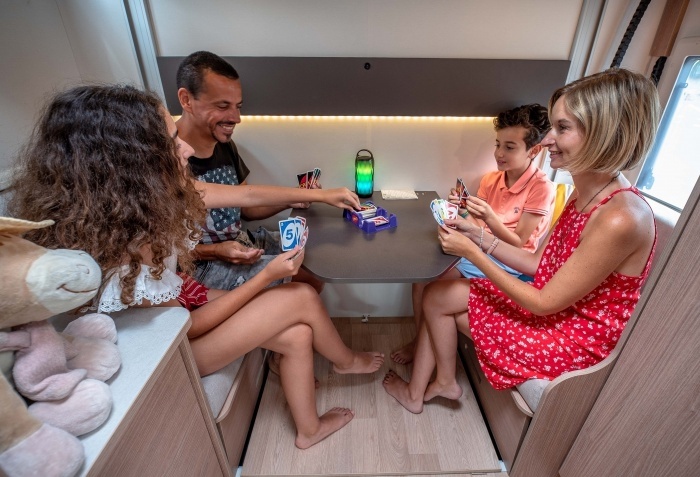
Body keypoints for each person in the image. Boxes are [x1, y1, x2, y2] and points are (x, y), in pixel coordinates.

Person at [9, 84, 385, 449]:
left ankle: (308, 431)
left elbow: (247, 195)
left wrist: (320, 195)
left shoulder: (142, 203)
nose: (186, 148)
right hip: (176, 353)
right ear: (130, 161)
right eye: (172, 140)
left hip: (179, 319)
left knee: (298, 334)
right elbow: (189, 326)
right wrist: (267, 277)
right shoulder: (127, 248)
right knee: (300, 295)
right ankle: (347, 361)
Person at [382, 68, 659, 414]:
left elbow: (543, 303)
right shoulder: (583, 196)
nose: (547, 140)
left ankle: (424, 389)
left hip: (570, 338)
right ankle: (443, 382)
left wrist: (472, 252)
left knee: (442, 296)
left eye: (562, 128)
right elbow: (537, 262)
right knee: (437, 293)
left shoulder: (621, 218)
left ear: (604, 134)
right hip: (553, 309)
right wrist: (475, 234)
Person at [391, 104, 555, 364]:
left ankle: (427, 351)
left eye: (509, 147)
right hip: (482, 248)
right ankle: (417, 342)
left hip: (512, 261)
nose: (499, 153)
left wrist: (489, 216)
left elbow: (518, 243)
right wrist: (462, 211)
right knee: (422, 278)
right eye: (498, 144)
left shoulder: (541, 188)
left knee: (434, 287)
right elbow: (478, 228)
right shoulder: (491, 179)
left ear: (534, 151)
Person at [174, 50, 326, 294]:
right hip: (199, 265)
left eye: (238, 107)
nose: (236, 118)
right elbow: (162, 252)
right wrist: (215, 251)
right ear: (186, 100)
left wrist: (294, 198)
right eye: (223, 106)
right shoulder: (165, 156)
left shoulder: (225, 145)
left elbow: (247, 207)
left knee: (315, 259)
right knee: (305, 280)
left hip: (240, 243)